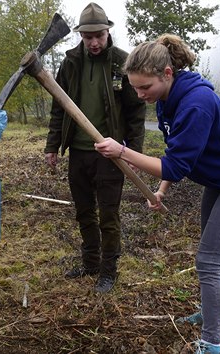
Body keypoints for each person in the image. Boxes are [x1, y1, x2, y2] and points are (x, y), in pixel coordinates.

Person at [94, 34, 220, 353]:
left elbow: (174, 166)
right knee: (213, 255)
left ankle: (212, 342)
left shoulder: (195, 102)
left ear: (167, 73)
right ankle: (211, 310)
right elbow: (176, 151)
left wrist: (122, 151)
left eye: (144, 87)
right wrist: (160, 190)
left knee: (208, 258)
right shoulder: (167, 98)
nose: (139, 94)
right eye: (135, 87)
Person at [44, 2, 146, 294]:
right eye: (88, 37)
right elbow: (58, 109)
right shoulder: (70, 63)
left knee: (109, 213)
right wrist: (53, 146)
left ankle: (108, 270)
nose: (94, 42)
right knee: (84, 210)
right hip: (78, 152)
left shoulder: (122, 63)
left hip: (111, 155)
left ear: (107, 31)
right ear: (80, 36)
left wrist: (134, 153)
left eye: (99, 35)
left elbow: (136, 113)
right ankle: (90, 263)